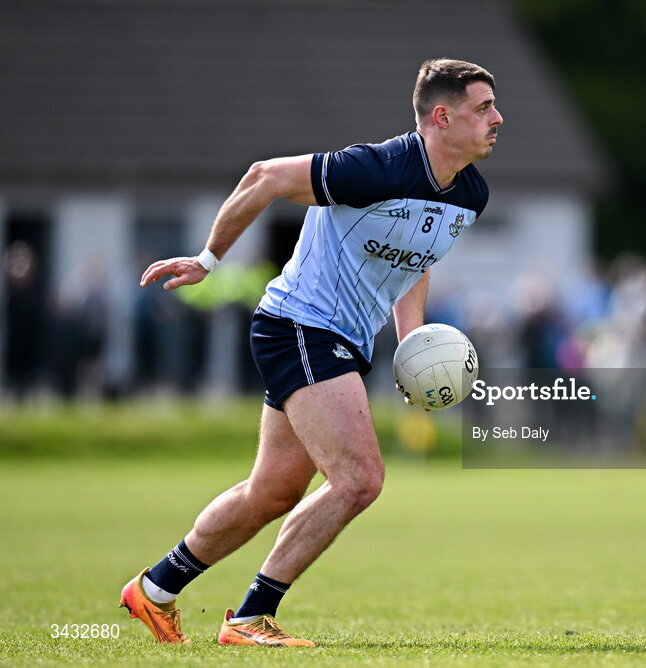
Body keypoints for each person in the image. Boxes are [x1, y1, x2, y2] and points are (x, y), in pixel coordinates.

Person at [119, 58, 502, 647]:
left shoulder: (470, 193)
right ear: (442, 117)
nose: (497, 119)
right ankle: (249, 619)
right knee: (359, 479)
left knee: (270, 491)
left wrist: (412, 344)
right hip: (300, 326)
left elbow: (413, 261)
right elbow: (264, 175)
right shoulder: (375, 168)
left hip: (336, 341)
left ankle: (154, 591)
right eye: (483, 109)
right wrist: (208, 260)